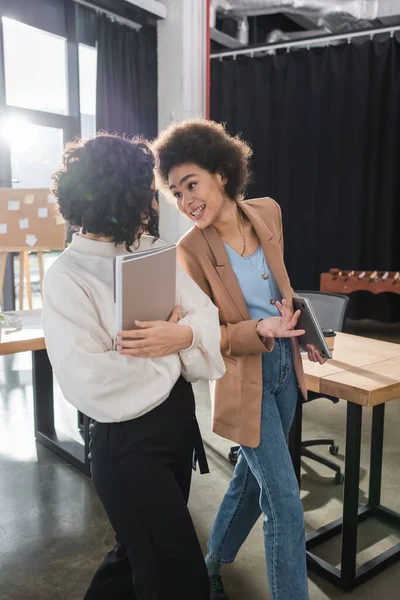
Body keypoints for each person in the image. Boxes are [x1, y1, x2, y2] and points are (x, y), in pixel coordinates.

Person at [42, 133, 226, 600]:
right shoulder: (67, 276)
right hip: (127, 447)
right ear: (117, 193)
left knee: (137, 554)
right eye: (144, 189)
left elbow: (204, 318)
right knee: (179, 577)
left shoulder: (150, 249)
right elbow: (91, 380)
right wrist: (177, 352)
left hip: (176, 427)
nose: (153, 200)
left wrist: (179, 336)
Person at [153, 119, 328, 600]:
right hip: (240, 378)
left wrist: (301, 330)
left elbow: (281, 290)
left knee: (254, 484)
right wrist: (260, 329)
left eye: (192, 183)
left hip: (286, 370)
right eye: (176, 192)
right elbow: (206, 335)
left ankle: (211, 562)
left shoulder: (267, 213)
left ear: (222, 174)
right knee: (285, 503)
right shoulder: (189, 250)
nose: (186, 200)